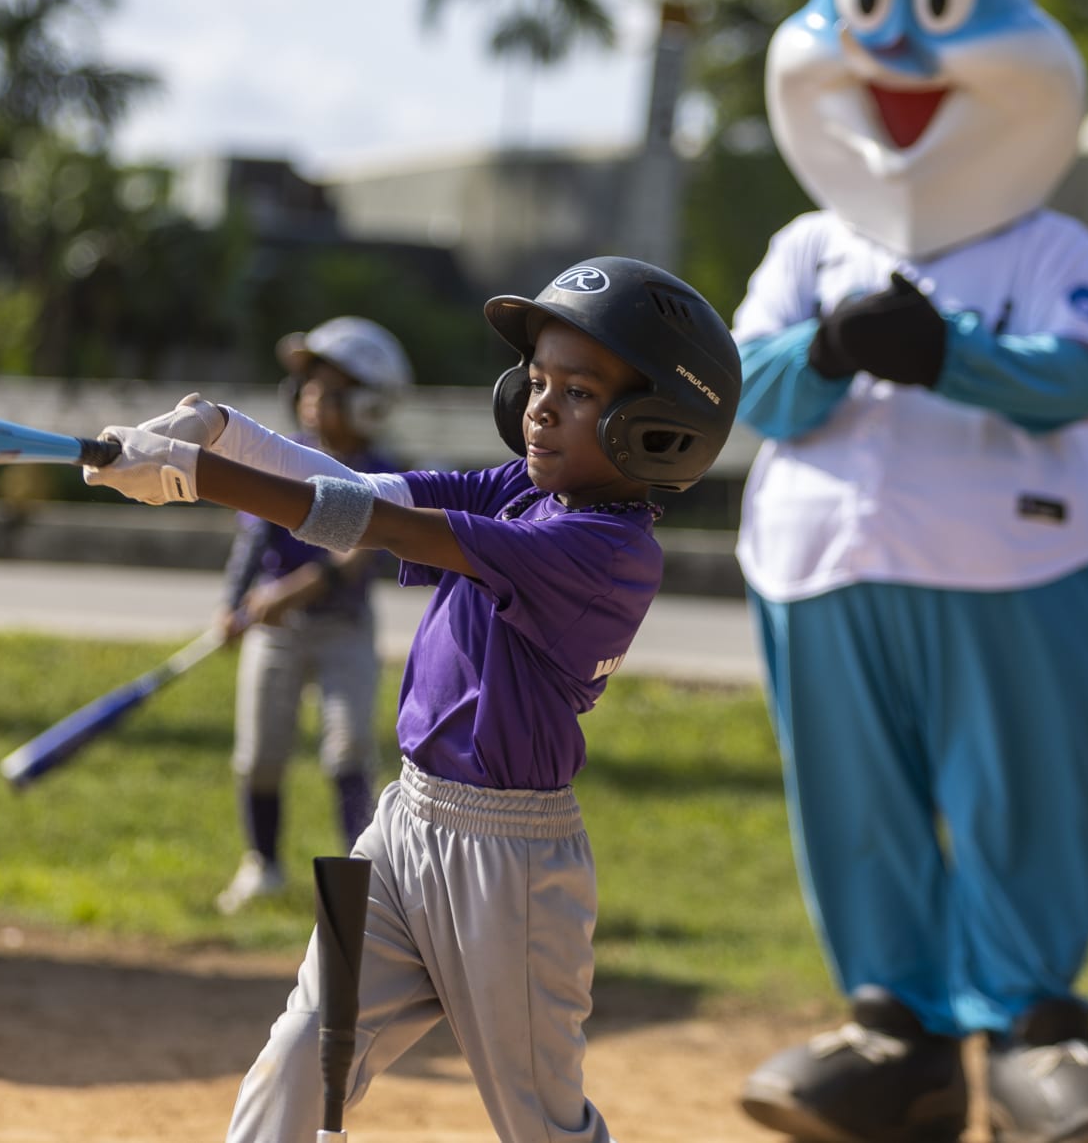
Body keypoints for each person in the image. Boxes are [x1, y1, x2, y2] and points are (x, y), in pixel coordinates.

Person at [84, 256, 740, 1143]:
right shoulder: (522, 490)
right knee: (304, 1054)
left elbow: (378, 526)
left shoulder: (605, 552)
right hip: (403, 825)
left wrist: (196, 475)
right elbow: (358, 492)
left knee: (540, 1122)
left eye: (580, 393)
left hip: (508, 867)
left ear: (659, 431)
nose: (541, 408)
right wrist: (223, 430)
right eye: (538, 382)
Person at [730, 0, 1088, 1143]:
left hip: (1013, 569)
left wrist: (950, 355)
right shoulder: (808, 247)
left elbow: (1081, 375)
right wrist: (824, 350)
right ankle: (897, 1034)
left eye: (932, 6)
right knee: (853, 802)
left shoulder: (1046, 244)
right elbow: (742, 384)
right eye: (869, 7)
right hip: (823, 570)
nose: (897, 54)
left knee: (1019, 797)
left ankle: (1035, 1028)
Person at [212, 316, 412, 914]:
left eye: (329, 390)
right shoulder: (285, 459)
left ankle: (359, 876)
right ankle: (263, 865)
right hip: (275, 631)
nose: (310, 399)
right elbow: (253, 539)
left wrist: (289, 592)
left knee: (349, 750)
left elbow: (357, 557)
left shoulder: (382, 475)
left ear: (368, 404)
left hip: (343, 628)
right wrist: (233, 603)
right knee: (260, 753)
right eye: (307, 387)